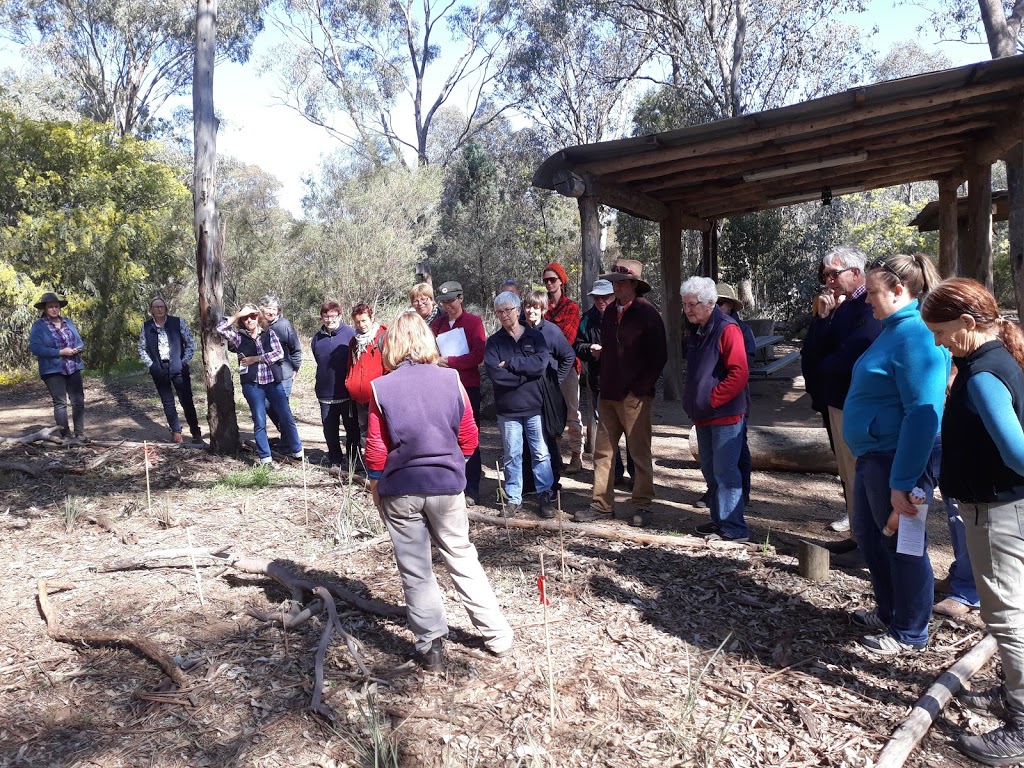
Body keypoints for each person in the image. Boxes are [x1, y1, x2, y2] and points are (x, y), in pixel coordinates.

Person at [365, 310, 514, 670]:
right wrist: (451, 468)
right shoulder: (452, 382)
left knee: (416, 569)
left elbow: (375, 448)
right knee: (461, 555)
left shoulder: (381, 387)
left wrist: (375, 485)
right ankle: (497, 635)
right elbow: (469, 438)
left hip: (400, 488)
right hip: (446, 485)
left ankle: (430, 644)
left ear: (392, 345)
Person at [921, 277, 1024, 764]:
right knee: (1009, 611)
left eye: (941, 331)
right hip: (997, 507)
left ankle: (1022, 725)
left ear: (967, 323)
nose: (938, 342)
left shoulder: (984, 375)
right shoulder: (989, 359)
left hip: (1001, 511)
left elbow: (1018, 452)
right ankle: (1012, 694)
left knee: (1007, 616)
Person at [843, 253, 949, 655]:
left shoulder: (917, 336)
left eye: (872, 292)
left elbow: (923, 416)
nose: (867, 299)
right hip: (876, 456)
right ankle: (889, 611)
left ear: (899, 291)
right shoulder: (891, 330)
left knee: (904, 543)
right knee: (871, 538)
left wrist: (903, 481)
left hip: (899, 459)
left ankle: (910, 630)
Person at [574, 259, 667, 528]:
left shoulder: (648, 313)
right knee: (603, 453)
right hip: (608, 394)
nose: (615, 286)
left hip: (635, 397)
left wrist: (641, 389)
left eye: (620, 282)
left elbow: (659, 357)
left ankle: (643, 506)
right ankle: (601, 506)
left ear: (633, 285)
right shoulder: (608, 313)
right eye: (614, 281)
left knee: (639, 452)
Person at [800, 245, 883, 533]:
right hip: (833, 398)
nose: (828, 282)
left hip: (854, 401)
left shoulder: (870, 309)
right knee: (848, 471)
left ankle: (866, 535)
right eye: (825, 276)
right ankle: (858, 530)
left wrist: (825, 365)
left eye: (834, 274)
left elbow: (854, 352)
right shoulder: (839, 306)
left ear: (856, 273)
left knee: (860, 470)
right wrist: (822, 319)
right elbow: (812, 351)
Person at [682, 277, 751, 543]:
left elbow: (739, 373)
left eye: (693, 304)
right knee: (710, 471)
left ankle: (735, 529)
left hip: (725, 414)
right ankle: (718, 520)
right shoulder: (698, 330)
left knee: (725, 471)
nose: (688, 310)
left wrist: (712, 399)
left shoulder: (727, 329)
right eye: (685, 305)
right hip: (704, 415)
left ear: (710, 303)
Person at [484, 291, 554, 518]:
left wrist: (512, 365)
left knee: (540, 453)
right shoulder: (494, 342)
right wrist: (525, 373)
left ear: (517, 310)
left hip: (534, 406)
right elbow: (496, 375)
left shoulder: (535, 337)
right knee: (512, 455)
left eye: (508, 310)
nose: (504, 315)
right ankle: (514, 498)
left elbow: (540, 366)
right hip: (508, 410)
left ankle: (545, 495)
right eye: (499, 312)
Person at [692, 282, 755, 509]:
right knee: (713, 461)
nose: (715, 306)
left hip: (734, 402)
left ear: (729, 305)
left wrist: (713, 397)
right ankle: (716, 496)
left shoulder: (736, 329)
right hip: (710, 408)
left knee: (736, 453)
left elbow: (742, 368)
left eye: (719, 303)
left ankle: (741, 496)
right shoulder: (699, 329)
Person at [216, 304, 304, 465]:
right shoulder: (239, 337)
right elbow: (220, 328)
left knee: (286, 416)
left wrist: (255, 359)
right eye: (245, 318)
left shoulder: (269, 333)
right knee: (259, 420)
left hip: (273, 382)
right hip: (253, 385)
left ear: (259, 317)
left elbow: (279, 353)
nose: (249, 320)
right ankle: (266, 459)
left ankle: (298, 451)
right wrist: (237, 314)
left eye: (253, 316)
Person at [430, 281, 487, 506]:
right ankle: (449, 483)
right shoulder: (437, 324)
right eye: (443, 302)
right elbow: (430, 351)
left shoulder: (474, 323)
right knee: (445, 437)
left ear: (461, 298)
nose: (447, 306)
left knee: (469, 437)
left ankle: (472, 487)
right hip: (442, 388)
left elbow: (478, 354)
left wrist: (450, 362)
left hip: (467, 388)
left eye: (451, 301)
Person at [575, 278, 633, 486]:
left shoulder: (627, 314)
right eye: (597, 297)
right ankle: (615, 473)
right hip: (600, 383)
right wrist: (590, 350)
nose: (600, 301)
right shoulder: (587, 319)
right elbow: (577, 345)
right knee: (607, 432)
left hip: (628, 385)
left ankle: (636, 476)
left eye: (605, 297)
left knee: (631, 430)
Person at [522, 289, 576, 505]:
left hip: (547, 395)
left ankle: (552, 485)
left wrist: (556, 380)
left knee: (548, 438)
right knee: (527, 440)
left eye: (535, 307)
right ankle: (528, 485)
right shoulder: (519, 329)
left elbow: (568, 356)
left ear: (543, 309)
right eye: (528, 306)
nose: (531, 311)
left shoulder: (552, 332)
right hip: (525, 395)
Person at [138, 297, 203, 444]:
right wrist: (151, 365)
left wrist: (183, 361)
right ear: (151, 310)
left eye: (162, 306)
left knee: (186, 400)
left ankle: (195, 432)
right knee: (167, 402)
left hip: (178, 366)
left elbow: (190, 344)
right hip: (159, 369)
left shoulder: (177, 322)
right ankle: (176, 432)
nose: (159, 309)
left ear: (166, 308)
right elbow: (142, 348)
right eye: (156, 307)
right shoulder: (146, 327)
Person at [541, 262, 584, 474]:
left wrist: (546, 339)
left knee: (572, 413)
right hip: (545, 369)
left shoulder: (571, 308)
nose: (549, 284)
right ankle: (555, 456)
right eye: (546, 280)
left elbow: (567, 339)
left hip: (567, 368)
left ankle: (577, 455)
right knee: (551, 411)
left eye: (553, 279)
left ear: (561, 281)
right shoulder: (541, 307)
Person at [29, 291, 87, 441]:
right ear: (45, 309)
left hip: (73, 366)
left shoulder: (68, 322)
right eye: (50, 307)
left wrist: (78, 348)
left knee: (78, 400)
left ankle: (79, 433)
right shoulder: (39, 326)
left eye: (56, 306)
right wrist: (60, 352)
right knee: (60, 403)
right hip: (52, 369)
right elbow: (36, 348)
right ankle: (65, 435)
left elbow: (79, 341)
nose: (54, 309)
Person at [311, 300, 359, 468]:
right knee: (330, 430)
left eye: (333, 316)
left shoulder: (351, 334)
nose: (329, 319)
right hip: (325, 393)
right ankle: (335, 460)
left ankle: (354, 460)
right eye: (326, 316)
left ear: (339, 315)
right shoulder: (317, 338)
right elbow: (319, 361)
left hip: (346, 393)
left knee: (352, 429)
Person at [345, 302, 388, 463]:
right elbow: (351, 365)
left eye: (364, 320)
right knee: (365, 434)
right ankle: (370, 466)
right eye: (357, 322)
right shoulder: (354, 341)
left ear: (372, 317)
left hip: (379, 397)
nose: (361, 325)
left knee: (381, 433)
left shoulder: (384, 337)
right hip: (360, 398)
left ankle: (384, 466)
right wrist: (349, 383)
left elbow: (390, 366)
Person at [260, 295, 302, 434]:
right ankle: (287, 434)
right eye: (269, 308)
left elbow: (295, 348)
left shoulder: (284, 325)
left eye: (274, 309)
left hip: (284, 373)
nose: (271, 312)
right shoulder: (258, 325)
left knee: (282, 407)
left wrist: (295, 368)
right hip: (265, 375)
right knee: (267, 405)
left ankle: (287, 443)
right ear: (262, 309)